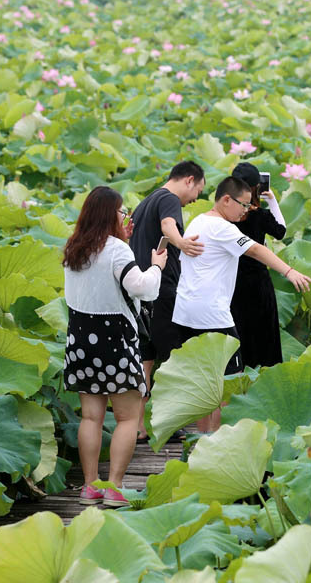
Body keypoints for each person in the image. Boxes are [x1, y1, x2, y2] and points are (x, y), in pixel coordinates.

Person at [173, 176, 311, 432]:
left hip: (185, 313)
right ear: (226, 200)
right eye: (244, 204)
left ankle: (204, 441)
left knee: (205, 385)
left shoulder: (198, 220)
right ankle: (220, 444)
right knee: (229, 386)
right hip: (212, 316)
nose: (247, 210)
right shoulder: (222, 228)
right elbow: (258, 250)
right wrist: (289, 271)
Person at [62, 186, 167, 507]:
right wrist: (157, 265)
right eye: (122, 212)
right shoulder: (117, 250)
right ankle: (115, 487)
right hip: (115, 340)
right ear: (110, 214)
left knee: (91, 418)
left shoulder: (74, 248)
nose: (126, 217)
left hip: (80, 340)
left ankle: (90, 486)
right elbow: (143, 289)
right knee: (126, 418)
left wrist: (121, 238)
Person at [128, 160, 206, 440]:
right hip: (162, 289)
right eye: (198, 190)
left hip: (141, 290)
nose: (195, 198)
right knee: (175, 358)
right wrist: (182, 243)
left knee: (146, 357)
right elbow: (168, 224)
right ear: (189, 180)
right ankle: (168, 424)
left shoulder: (145, 201)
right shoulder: (169, 198)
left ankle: (138, 427)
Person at [229, 162, 287, 369]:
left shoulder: (225, 216)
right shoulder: (258, 215)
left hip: (232, 281)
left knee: (240, 334)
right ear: (256, 188)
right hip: (258, 281)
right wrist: (272, 201)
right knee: (265, 335)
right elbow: (281, 231)